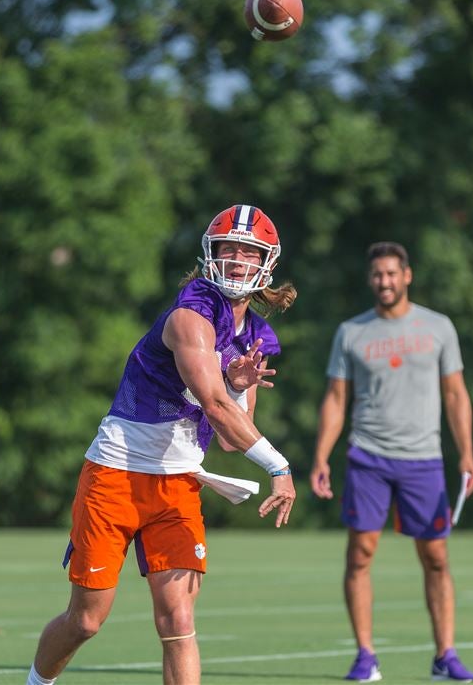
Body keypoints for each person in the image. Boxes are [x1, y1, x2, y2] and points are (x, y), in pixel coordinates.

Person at [27, 204, 299, 685]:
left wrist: (238, 385)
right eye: (228, 249)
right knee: (86, 620)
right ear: (211, 254)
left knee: (178, 621)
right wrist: (278, 466)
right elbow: (215, 407)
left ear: (266, 263)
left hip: (177, 483)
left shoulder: (255, 336)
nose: (237, 259)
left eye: (248, 251)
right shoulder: (191, 316)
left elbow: (235, 432)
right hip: (117, 474)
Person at [309, 241, 473, 683]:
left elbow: (456, 394)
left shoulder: (439, 327)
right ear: (371, 280)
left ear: (407, 275)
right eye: (377, 275)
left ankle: (445, 654)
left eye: (391, 273)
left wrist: (466, 453)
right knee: (361, 554)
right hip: (367, 456)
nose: (384, 281)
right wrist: (321, 456)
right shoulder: (351, 332)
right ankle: (365, 655)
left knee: (437, 558)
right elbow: (335, 398)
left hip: (423, 459)